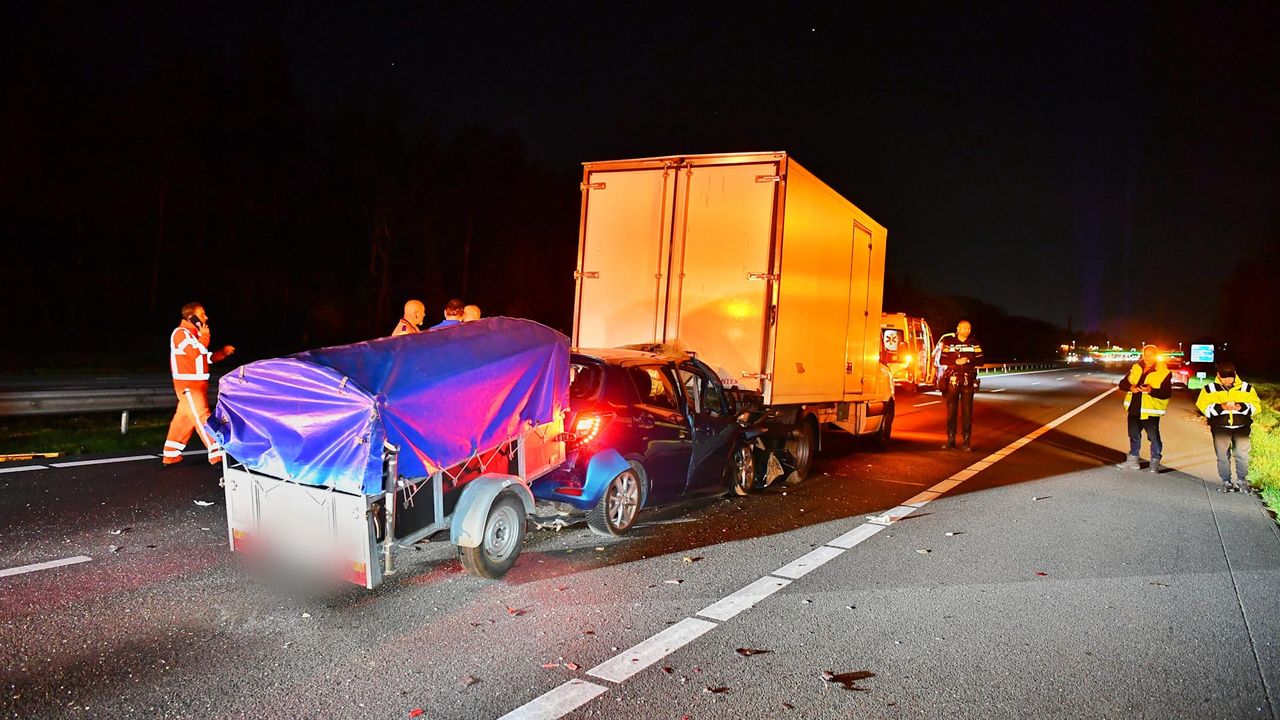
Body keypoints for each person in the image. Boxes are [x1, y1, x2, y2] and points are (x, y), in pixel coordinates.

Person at [163, 302, 235, 465]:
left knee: (184, 418)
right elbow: (195, 352)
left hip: (197, 385)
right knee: (202, 416)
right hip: (189, 385)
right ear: (192, 317)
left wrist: (222, 354)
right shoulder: (180, 333)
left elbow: (203, 357)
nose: (206, 317)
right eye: (202, 314)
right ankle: (217, 455)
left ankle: (171, 454)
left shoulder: (192, 335)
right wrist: (205, 336)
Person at [1195, 361, 1260, 492]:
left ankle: (1242, 480)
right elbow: (1203, 407)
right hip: (1220, 427)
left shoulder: (1247, 388)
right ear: (1218, 375)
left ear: (1235, 374)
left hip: (1241, 426)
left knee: (1242, 455)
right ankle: (1226, 481)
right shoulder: (1209, 389)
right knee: (1222, 456)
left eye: (1230, 376)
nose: (1227, 379)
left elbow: (1257, 407)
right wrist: (1221, 407)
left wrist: (1241, 406)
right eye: (1224, 376)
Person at [1116, 344, 1173, 473]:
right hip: (1134, 408)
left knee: (1153, 437)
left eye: (1150, 355)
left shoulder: (1164, 372)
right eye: (1145, 354)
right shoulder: (1136, 368)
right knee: (1134, 435)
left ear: (1156, 356)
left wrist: (1150, 390)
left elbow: (1166, 393)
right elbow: (1122, 384)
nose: (1147, 357)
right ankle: (1133, 461)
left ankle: (1155, 462)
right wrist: (1131, 388)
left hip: (1150, 410)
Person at [936, 320, 984, 451]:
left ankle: (966, 442)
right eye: (964, 328)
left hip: (968, 380)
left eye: (969, 328)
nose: (966, 330)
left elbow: (981, 360)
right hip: (952, 380)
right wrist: (956, 361)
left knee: (967, 412)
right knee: (951, 412)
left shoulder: (974, 343)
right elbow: (942, 359)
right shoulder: (949, 342)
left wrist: (968, 360)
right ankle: (950, 439)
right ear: (958, 328)